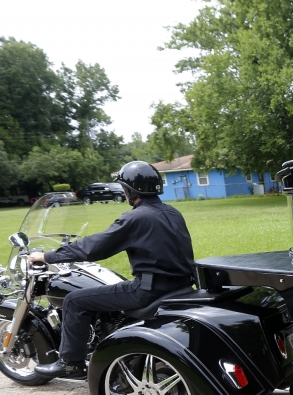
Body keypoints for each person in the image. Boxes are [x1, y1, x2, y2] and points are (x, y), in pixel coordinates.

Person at [32, 161, 196, 379]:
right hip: (181, 284)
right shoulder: (173, 212)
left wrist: (47, 256)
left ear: (130, 191)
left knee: (74, 300)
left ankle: (71, 364)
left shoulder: (136, 217)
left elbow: (95, 247)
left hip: (148, 289)